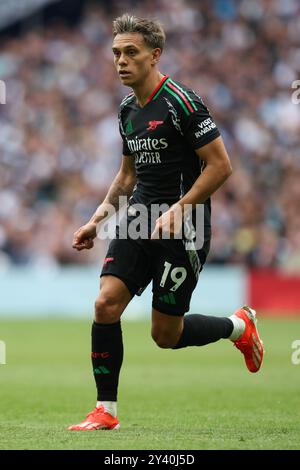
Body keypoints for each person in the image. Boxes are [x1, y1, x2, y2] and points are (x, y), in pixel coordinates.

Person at [68, 14, 264, 431]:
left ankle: (238, 327)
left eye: (131, 53)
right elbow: (126, 177)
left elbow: (221, 166)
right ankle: (106, 410)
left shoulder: (183, 103)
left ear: (155, 55)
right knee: (105, 304)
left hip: (184, 228)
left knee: (165, 335)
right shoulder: (126, 110)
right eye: (116, 53)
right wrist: (96, 221)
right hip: (140, 219)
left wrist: (180, 207)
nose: (121, 61)